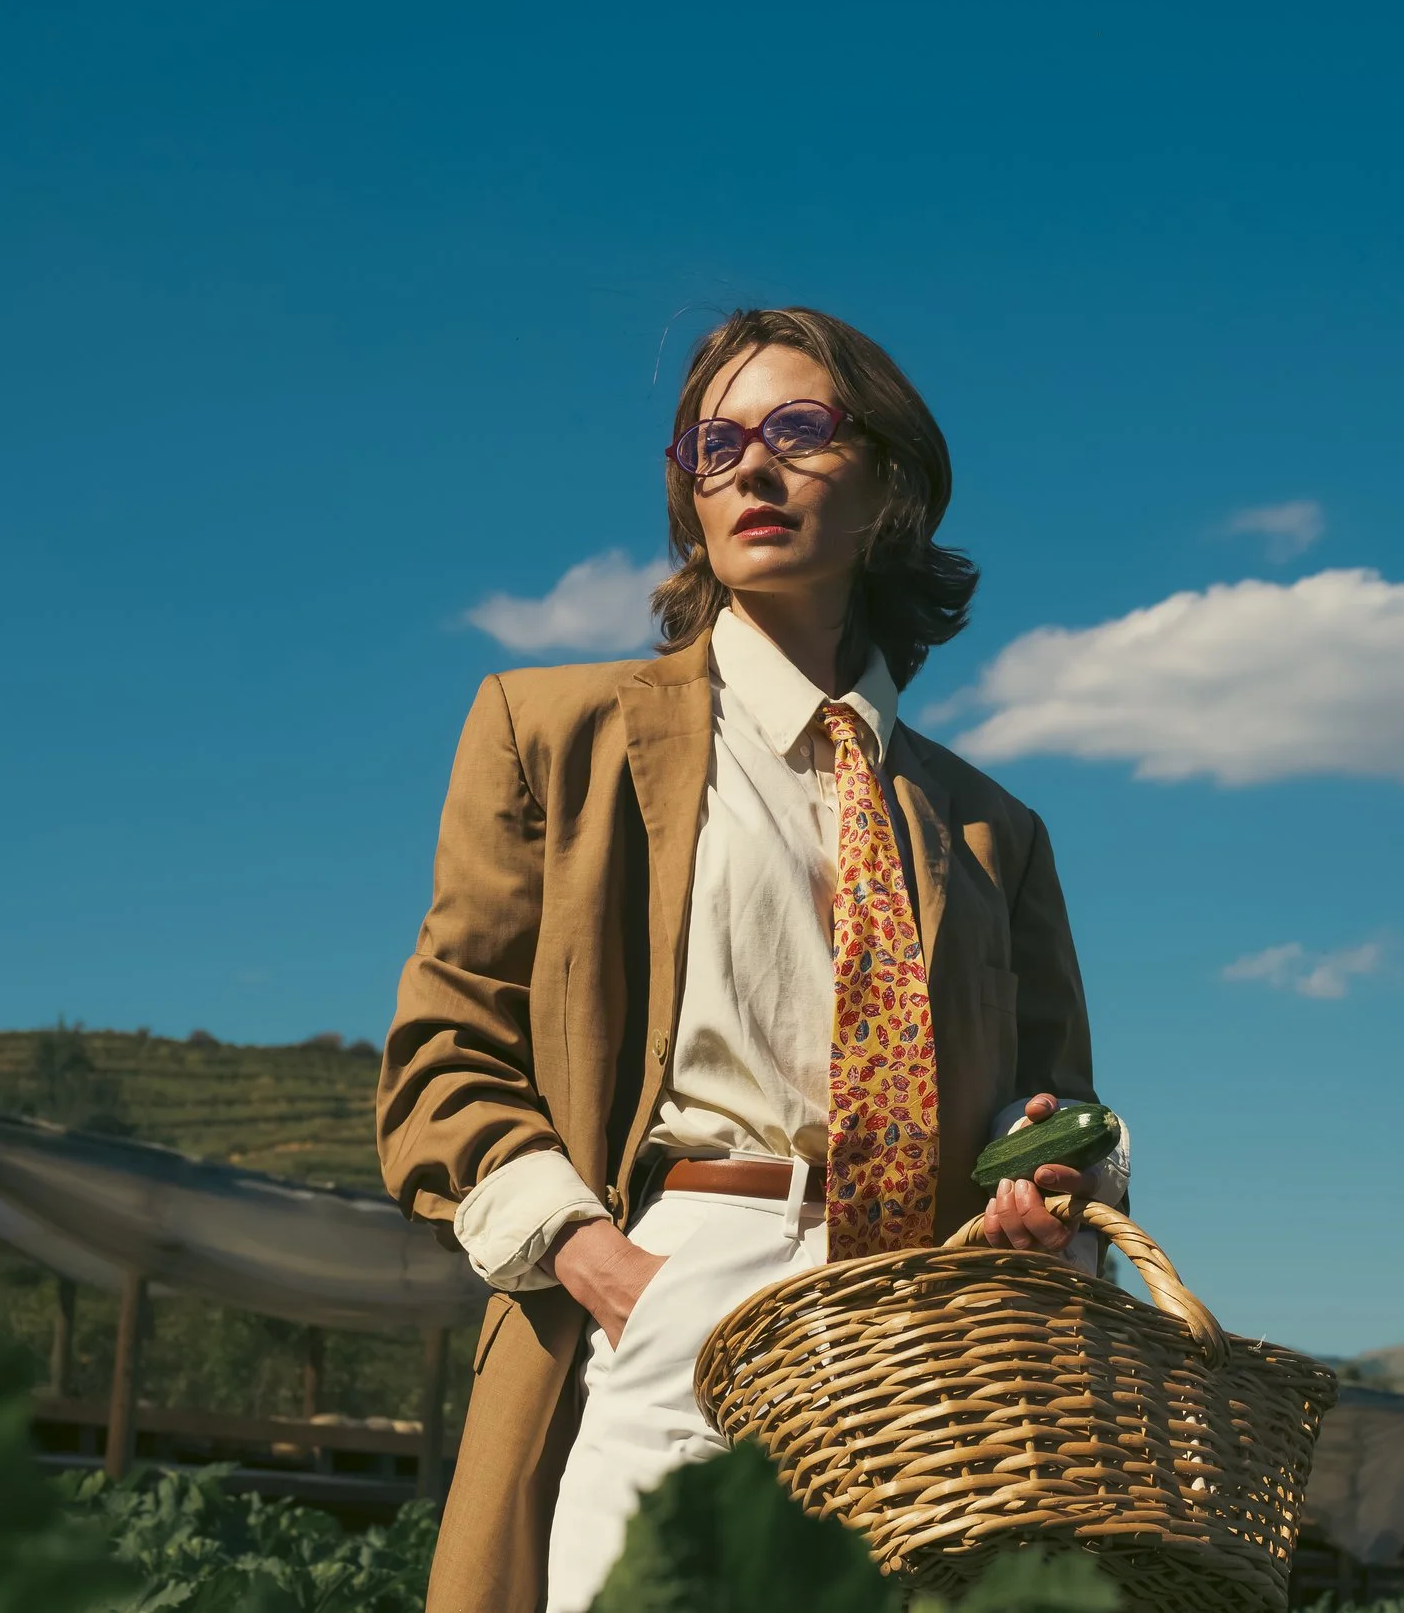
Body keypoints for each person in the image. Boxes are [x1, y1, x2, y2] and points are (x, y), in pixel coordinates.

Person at [377, 307, 1127, 1613]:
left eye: (798, 431)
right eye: (715, 444)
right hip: (673, 1282)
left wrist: (1042, 1174)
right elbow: (445, 1060)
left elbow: (1060, 1103)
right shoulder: (556, 731)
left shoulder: (995, 829)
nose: (752, 470)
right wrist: (613, 1274)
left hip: (919, 1343)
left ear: (889, 481)